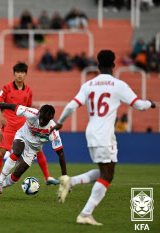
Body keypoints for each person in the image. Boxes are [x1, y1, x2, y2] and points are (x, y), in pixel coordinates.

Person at [51, 50, 156, 226]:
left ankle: (72, 181)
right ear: (114, 65)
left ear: (98, 65)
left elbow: (71, 106)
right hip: (104, 134)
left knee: (105, 172)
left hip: (92, 132)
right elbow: (139, 106)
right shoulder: (118, 85)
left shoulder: (89, 85)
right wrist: (150, 103)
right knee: (107, 175)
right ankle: (85, 213)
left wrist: (60, 122)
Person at [0, 101, 67, 198]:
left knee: (17, 174)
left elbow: (61, 154)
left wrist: (64, 178)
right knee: (17, 152)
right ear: (39, 113)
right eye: (40, 118)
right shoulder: (32, 113)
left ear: (50, 119)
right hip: (22, 137)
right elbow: (11, 106)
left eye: (44, 120)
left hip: (33, 150)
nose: (41, 121)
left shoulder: (53, 131)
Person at [0, 62, 58, 186]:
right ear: (14, 73)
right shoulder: (7, 88)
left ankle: (47, 177)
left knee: (38, 150)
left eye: (22, 72)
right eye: (17, 72)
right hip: (9, 125)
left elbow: (28, 109)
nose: (20, 75)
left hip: (24, 127)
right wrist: (0, 116)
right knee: (1, 152)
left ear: (25, 74)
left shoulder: (29, 91)